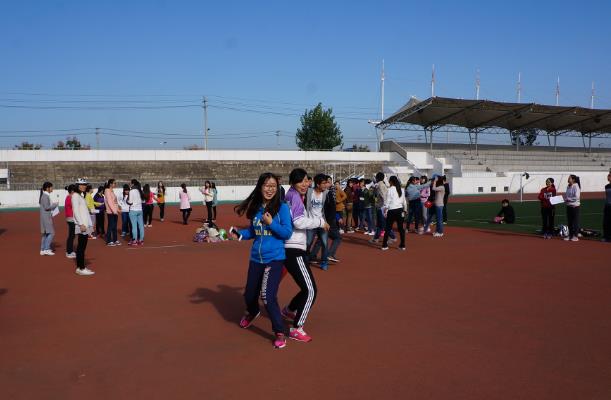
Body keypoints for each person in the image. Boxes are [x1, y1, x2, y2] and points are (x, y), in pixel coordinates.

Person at [232, 172, 293, 349]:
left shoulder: (282, 208)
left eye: (273, 186)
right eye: (266, 185)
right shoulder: (256, 208)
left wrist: (271, 223)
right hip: (256, 258)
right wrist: (240, 234)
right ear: (260, 187)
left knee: (267, 296)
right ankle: (253, 312)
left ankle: (279, 331)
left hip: (274, 258)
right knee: (249, 294)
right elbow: (253, 231)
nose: (270, 189)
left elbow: (287, 233)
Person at [282, 168, 329, 343]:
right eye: (300, 181)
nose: (305, 184)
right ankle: (297, 328)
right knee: (310, 290)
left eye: (306, 180)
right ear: (293, 182)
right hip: (294, 248)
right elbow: (298, 222)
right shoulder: (294, 196)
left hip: (291, 247)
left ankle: (289, 310)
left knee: (305, 287)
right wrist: (320, 222)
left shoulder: (291, 195)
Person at [306, 173, 330, 270]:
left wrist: (328, 221)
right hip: (311, 222)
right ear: (318, 184)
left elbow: (331, 208)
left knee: (324, 243)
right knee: (308, 243)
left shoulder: (327, 193)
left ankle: (324, 262)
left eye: (326, 183)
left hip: (322, 223)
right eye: (323, 183)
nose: (325, 185)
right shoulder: (309, 192)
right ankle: (305, 260)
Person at [72, 178, 95, 276]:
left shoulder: (80, 196)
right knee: (81, 247)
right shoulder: (75, 196)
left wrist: (89, 224)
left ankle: (81, 267)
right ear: (78, 186)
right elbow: (76, 211)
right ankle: (80, 268)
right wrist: (81, 224)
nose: (85, 186)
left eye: (85, 185)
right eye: (82, 185)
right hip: (82, 225)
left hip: (85, 225)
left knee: (83, 247)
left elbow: (84, 211)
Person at [381, 176, 406, 251]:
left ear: (391, 181)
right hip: (400, 210)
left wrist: (385, 209)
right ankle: (402, 245)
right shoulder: (401, 189)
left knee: (388, 228)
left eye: (389, 181)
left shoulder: (390, 190)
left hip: (392, 210)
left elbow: (387, 201)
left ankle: (384, 245)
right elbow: (404, 201)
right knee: (401, 229)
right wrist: (405, 210)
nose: (389, 182)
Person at [371, 172, 395, 243]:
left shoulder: (379, 185)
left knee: (383, 224)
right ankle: (376, 238)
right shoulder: (383, 185)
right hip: (382, 207)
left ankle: (392, 237)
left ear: (377, 178)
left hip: (382, 207)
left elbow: (383, 196)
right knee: (379, 224)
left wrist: (385, 206)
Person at [39, 181, 58, 256]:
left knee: (45, 234)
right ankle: (46, 249)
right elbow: (47, 207)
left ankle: (43, 249)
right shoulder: (45, 196)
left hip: (45, 217)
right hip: (46, 218)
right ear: (47, 188)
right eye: (51, 187)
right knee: (51, 233)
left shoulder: (44, 195)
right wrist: (55, 205)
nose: (52, 188)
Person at [127, 179, 145, 246]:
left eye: (130, 183)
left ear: (132, 184)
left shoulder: (131, 191)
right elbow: (143, 201)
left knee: (134, 226)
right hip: (140, 210)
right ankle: (141, 240)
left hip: (133, 210)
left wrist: (127, 201)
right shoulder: (140, 190)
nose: (129, 184)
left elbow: (130, 202)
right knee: (141, 226)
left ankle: (134, 240)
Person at [564, 174, 581, 242]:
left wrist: (568, 199)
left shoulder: (576, 186)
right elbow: (567, 195)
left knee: (575, 221)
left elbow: (576, 197)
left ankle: (575, 236)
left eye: (569, 178)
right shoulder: (568, 186)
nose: (568, 179)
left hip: (575, 206)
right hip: (569, 206)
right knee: (570, 222)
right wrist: (565, 199)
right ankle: (570, 235)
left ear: (573, 180)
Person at [104, 179, 120, 246]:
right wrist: (114, 211)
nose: (115, 184)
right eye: (114, 183)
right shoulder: (107, 191)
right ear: (110, 184)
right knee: (110, 226)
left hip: (114, 211)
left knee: (114, 226)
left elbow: (115, 202)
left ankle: (115, 239)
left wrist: (118, 209)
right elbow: (110, 202)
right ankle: (109, 240)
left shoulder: (112, 191)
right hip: (111, 212)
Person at [64, 184, 76, 258]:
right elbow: (73, 206)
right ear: (72, 191)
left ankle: (70, 250)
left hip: (71, 217)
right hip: (70, 218)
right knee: (71, 235)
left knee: (72, 235)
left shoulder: (70, 197)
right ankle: (69, 251)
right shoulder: (69, 197)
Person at [602, 171, 611, 243]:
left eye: (609, 176)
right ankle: (606, 236)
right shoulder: (606, 186)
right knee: (605, 222)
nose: (608, 177)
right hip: (607, 206)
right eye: (608, 176)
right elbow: (607, 196)